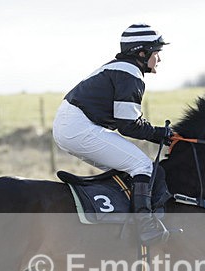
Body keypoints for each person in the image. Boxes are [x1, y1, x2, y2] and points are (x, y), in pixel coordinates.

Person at [53, 23, 172, 245]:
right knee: (142, 166)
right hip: (79, 127)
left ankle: (117, 222)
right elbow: (128, 125)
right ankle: (146, 227)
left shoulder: (122, 68)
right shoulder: (130, 73)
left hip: (72, 126)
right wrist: (161, 134)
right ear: (142, 52)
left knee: (128, 170)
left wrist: (160, 134)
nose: (160, 59)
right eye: (157, 53)